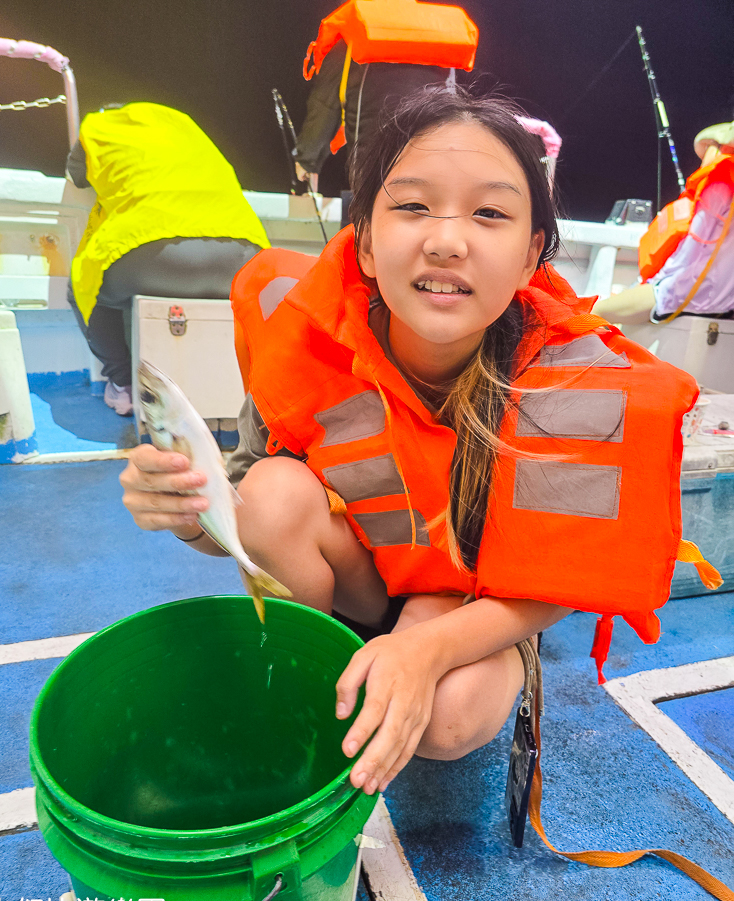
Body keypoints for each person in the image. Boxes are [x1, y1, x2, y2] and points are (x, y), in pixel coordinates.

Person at [120, 88, 699, 798]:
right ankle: (319, 665)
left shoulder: (569, 387)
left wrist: (425, 646)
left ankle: (410, 664)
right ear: (364, 241)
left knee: (450, 722)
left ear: (531, 258)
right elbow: (239, 525)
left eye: (490, 213)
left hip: (481, 598)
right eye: (413, 206)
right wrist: (191, 513)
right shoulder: (307, 341)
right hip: (367, 581)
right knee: (269, 495)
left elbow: (557, 587)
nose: (447, 239)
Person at [67, 102, 270, 415]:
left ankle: (123, 387)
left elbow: (78, 175)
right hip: (243, 253)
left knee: (85, 287)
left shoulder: (98, 126)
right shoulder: (183, 122)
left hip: (152, 256)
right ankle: (260, 394)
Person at [294, 0, 478, 187]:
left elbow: (325, 104)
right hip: (434, 169)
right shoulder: (439, 36)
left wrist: (307, 159)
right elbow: (453, 106)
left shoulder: (353, 34)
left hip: (374, 172)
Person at [595, 120, 734, 326]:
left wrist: (644, 286)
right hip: (725, 303)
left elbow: (691, 256)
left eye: (708, 148)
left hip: (685, 296)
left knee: (594, 312)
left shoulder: (718, 185)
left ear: (719, 149)